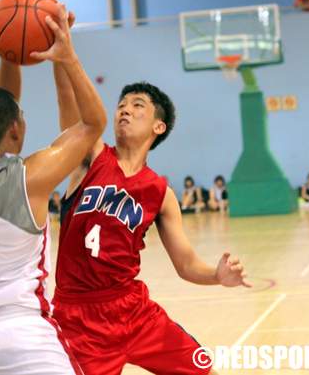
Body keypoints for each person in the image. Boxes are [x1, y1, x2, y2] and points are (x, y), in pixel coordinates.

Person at [52, 35, 250, 374]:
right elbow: (70, 105)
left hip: (134, 312)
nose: (125, 109)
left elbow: (186, 264)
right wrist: (62, 57)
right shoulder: (91, 158)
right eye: (121, 104)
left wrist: (217, 276)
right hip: (79, 319)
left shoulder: (160, 192)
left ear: (159, 126)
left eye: (137, 104)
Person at [0, 4, 107, 375]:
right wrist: (66, 56)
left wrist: (10, 53)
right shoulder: (30, 176)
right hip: (22, 339)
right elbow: (93, 122)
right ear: (16, 128)